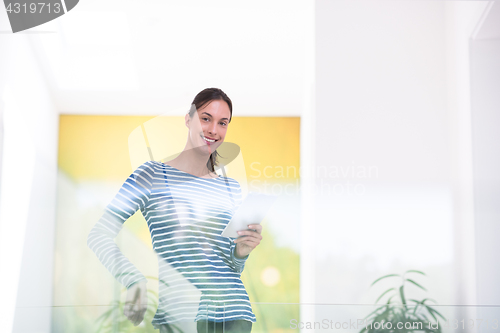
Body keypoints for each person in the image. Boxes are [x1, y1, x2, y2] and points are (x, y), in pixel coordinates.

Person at [87, 88, 262, 333]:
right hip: (181, 314)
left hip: (235, 312)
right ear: (188, 119)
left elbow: (230, 266)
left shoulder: (229, 187)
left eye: (223, 123)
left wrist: (241, 252)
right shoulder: (150, 175)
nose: (214, 130)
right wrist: (134, 280)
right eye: (206, 118)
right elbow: (98, 235)